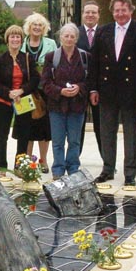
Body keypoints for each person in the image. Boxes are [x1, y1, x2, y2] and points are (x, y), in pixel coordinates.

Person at [88, 0, 136, 186]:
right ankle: (108, 169)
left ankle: (130, 174)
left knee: (131, 134)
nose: (120, 14)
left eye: (123, 10)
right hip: (107, 90)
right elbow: (94, 63)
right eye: (116, 10)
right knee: (107, 132)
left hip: (131, 90)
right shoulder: (103, 31)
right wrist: (93, 89)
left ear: (130, 10)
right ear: (112, 12)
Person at [41, 23, 89, 179]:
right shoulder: (51, 57)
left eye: (72, 36)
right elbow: (45, 83)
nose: (69, 39)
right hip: (57, 106)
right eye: (66, 35)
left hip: (77, 106)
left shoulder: (85, 57)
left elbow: (90, 81)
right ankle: (58, 170)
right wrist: (60, 91)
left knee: (74, 141)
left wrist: (79, 87)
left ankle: (73, 169)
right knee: (58, 141)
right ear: (60, 37)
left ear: (76, 39)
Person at [0, 25, 39, 175]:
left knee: (24, 134)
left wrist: (22, 90)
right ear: (7, 39)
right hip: (4, 102)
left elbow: (36, 78)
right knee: (2, 135)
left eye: (18, 37)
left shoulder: (27, 58)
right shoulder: (0, 59)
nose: (15, 39)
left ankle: (20, 167)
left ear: (21, 40)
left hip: (22, 101)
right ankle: (2, 168)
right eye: (12, 36)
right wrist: (9, 93)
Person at [22, 12, 57, 174]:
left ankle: (43, 161)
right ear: (29, 27)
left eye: (40, 25)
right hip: (25, 92)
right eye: (34, 25)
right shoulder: (21, 43)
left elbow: (56, 66)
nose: (37, 27)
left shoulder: (51, 44)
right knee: (27, 129)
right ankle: (27, 163)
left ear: (44, 29)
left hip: (44, 93)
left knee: (44, 130)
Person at [76, 1, 102, 160]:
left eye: (93, 12)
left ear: (99, 15)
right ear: (83, 14)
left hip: (100, 86)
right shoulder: (75, 33)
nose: (90, 15)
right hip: (80, 86)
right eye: (87, 12)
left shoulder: (106, 33)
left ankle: (107, 160)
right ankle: (74, 159)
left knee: (101, 125)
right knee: (78, 125)